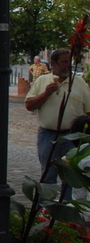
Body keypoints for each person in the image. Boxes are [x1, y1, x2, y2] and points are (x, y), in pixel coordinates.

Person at [25, 48, 90, 195]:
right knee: (47, 175)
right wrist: (46, 94)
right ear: (54, 63)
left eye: (69, 62)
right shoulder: (43, 81)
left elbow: (89, 110)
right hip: (47, 136)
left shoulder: (78, 82)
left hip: (72, 137)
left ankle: (66, 210)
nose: (68, 65)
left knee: (71, 176)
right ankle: (45, 210)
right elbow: (29, 105)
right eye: (64, 62)